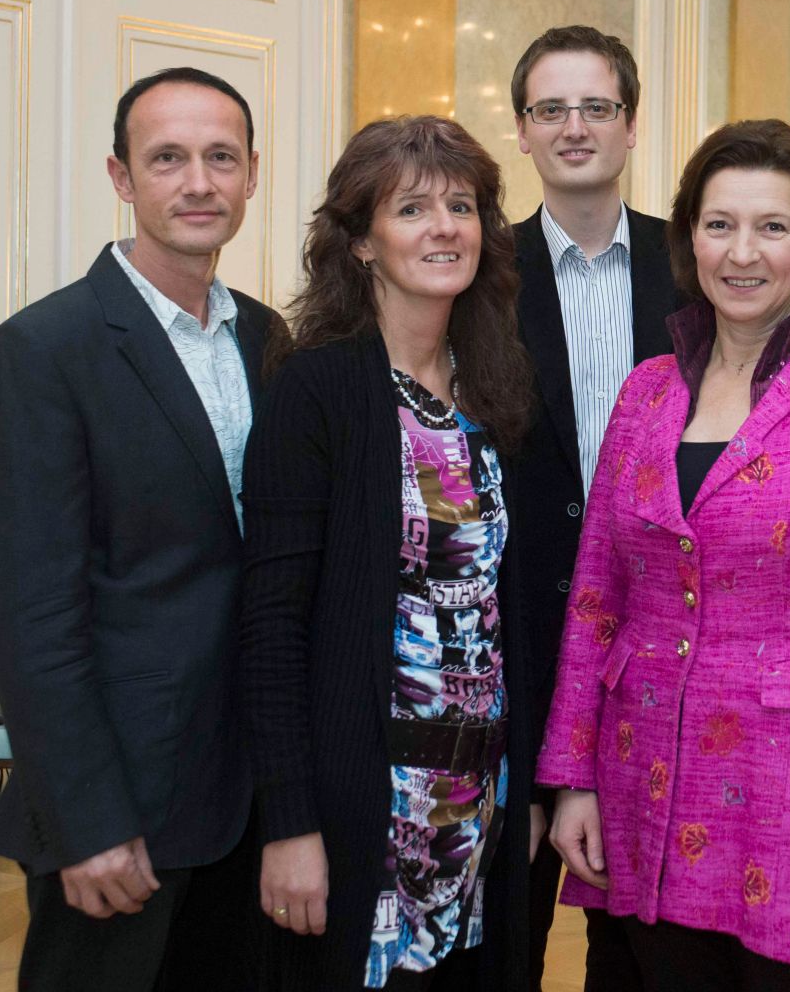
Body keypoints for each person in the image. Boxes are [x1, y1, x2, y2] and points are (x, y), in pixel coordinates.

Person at [537, 118, 790, 990]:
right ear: (689, 239)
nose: (742, 253)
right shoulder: (645, 392)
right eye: (719, 225)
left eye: (772, 226)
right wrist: (572, 778)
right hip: (643, 782)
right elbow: (596, 598)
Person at [0, 66, 278, 992]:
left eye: (221, 158)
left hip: (244, 795)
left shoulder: (269, 339)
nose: (197, 183)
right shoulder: (42, 349)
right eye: (168, 159)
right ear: (121, 175)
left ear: (253, 174)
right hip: (116, 809)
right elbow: (32, 619)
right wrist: (88, 818)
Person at [239, 115, 540, 990]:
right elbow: (271, 627)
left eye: (462, 205)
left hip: (479, 802)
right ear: (362, 242)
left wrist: (523, 792)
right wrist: (289, 824)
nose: (444, 227)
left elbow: (508, 612)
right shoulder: (315, 390)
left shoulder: (498, 387)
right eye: (412, 209)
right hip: (360, 804)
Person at [506, 24, 678, 992]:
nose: (574, 127)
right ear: (522, 130)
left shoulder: (698, 265)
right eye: (551, 109)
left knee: (646, 934)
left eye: (596, 107)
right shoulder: (474, 275)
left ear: (630, 125)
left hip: (659, 645)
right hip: (518, 640)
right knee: (509, 923)